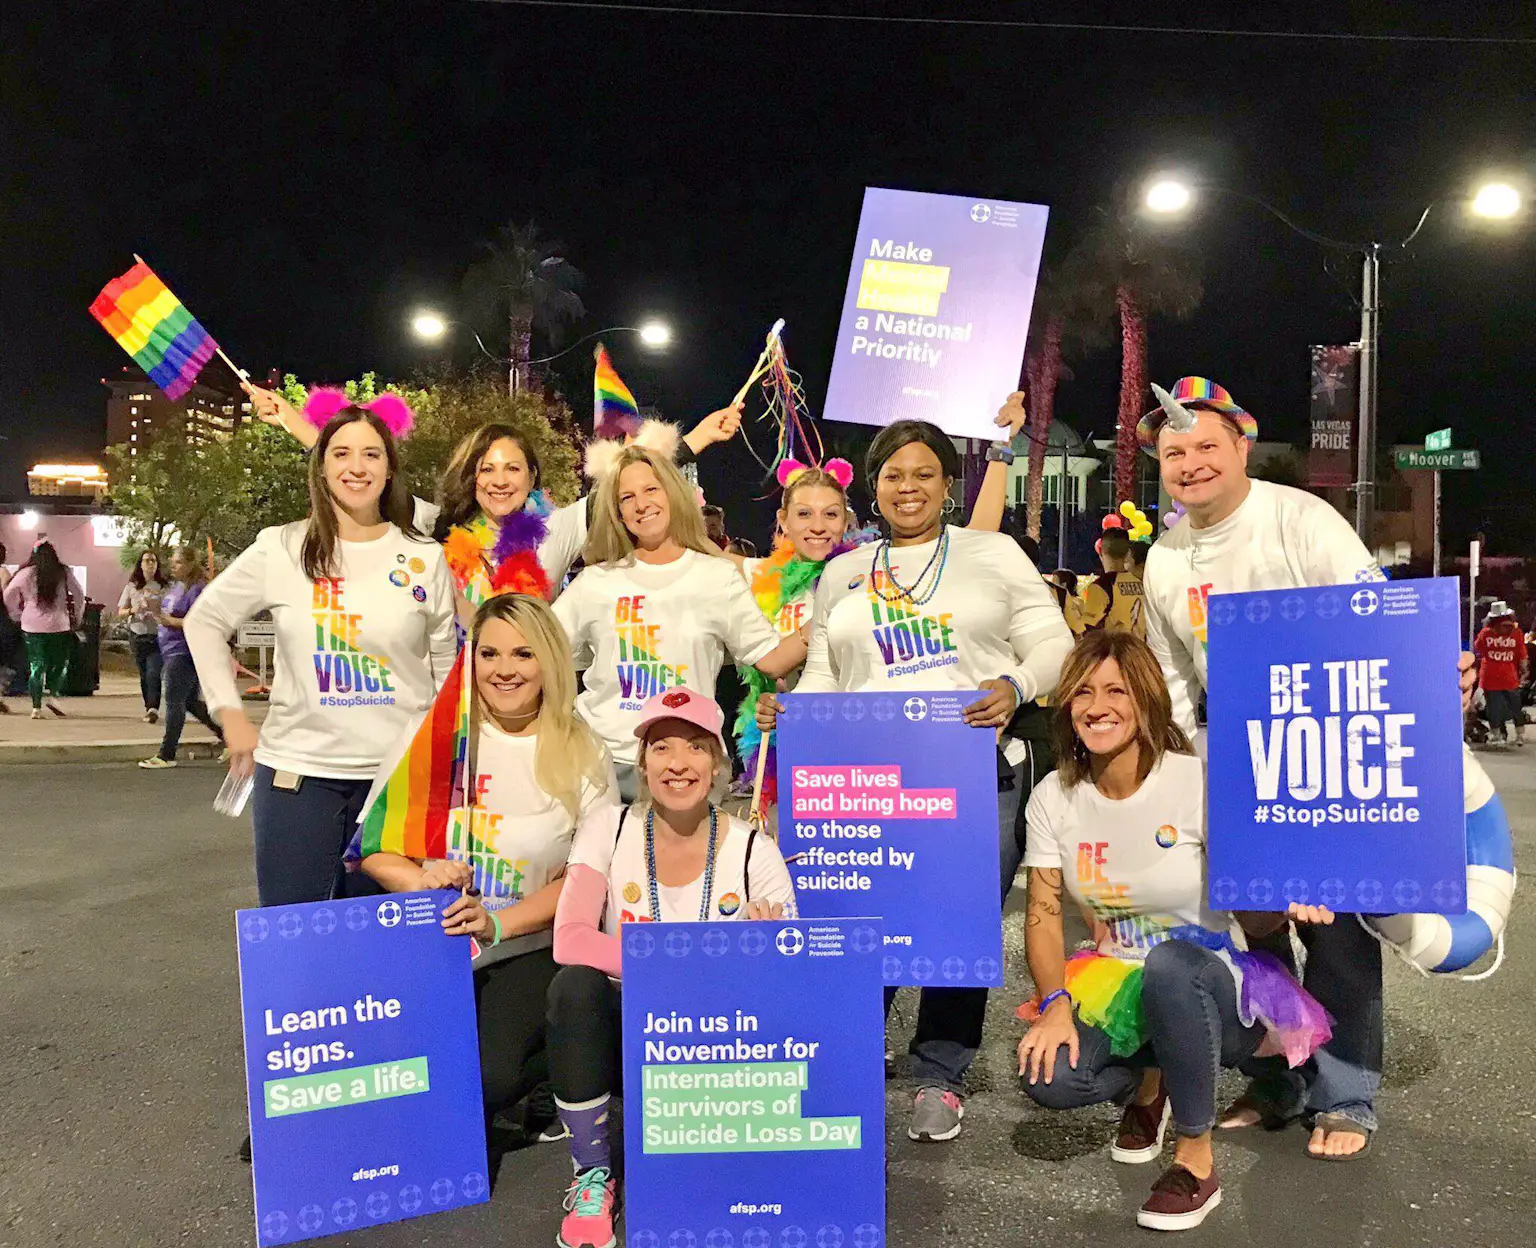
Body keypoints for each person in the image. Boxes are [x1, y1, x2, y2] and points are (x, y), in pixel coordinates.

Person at [1138, 375, 1475, 1159]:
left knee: (1338, 929)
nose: (1191, 463)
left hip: (1323, 746)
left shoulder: (1302, 519)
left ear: (1241, 447)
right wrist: (1192, 778)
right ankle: (1281, 1079)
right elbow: (1176, 683)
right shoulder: (1164, 558)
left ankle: (1347, 1093)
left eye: (1206, 447)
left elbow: (1375, 619)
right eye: (1174, 451)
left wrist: (1433, 676)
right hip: (1236, 760)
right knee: (1260, 936)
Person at [756, 418, 1075, 1142]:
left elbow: (1056, 644)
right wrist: (791, 711)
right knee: (855, 919)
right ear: (873, 487)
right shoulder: (843, 570)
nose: (908, 487)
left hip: (970, 773)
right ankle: (848, 1050)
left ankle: (940, 1071)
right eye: (894, 474)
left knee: (953, 925)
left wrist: (1015, 682)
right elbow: (824, 675)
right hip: (863, 780)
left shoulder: (992, 554)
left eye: (923, 472)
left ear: (947, 483)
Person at [1017, 630, 1332, 1231]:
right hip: (1115, 978)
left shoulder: (1197, 782)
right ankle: (1151, 1082)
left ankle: (1195, 1159)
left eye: (1116, 689)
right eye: (1082, 692)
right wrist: (1055, 1003)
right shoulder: (1053, 797)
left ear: (1147, 701)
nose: (1096, 705)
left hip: (1212, 982)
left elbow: (1257, 920)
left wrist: (1285, 901)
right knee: (1050, 1078)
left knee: (1170, 967)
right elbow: (1043, 914)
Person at [357, 593, 617, 1135]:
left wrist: (498, 923)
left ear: (549, 661)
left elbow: (585, 880)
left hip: (525, 945)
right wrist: (421, 881)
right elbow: (374, 849)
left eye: (523, 654)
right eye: (489, 653)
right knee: (382, 1067)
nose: (503, 670)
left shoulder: (582, 748)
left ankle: (553, 1065)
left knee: (484, 1081)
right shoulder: (429, 736)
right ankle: (311, 1129)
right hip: (435, 941)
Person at [546, 687, 796, 1248]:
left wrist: (765, 944)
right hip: (630, 1025)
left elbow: (790, 973)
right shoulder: (608, 827)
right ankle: (592, 1173)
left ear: (717, 764)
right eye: (660, 748)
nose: (677, 763)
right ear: (642, 764)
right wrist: (668, 969)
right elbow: (570, 938)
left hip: (717, 1038)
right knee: (573, 988)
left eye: (695, 748)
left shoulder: (756, 848)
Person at [185, 396, 457, 906]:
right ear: (322, 466)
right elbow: (205, 620)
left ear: (390, 468)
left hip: (397, 783)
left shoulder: (423, 557)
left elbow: (445, 674)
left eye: (372, 454)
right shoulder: (281, 547)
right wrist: (231, 715)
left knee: (389, 950)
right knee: (298, 945)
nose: (357, 467)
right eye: (342, 454)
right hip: (298, 777)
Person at [244, 382, 743, 620]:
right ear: (472, 476)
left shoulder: (560, 528)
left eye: (512, 468)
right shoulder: (437, 525)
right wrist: (294, 422)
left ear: (531, 478)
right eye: (487, 468)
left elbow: (628, 481)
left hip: (531, 688)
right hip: (447, 687)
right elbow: (367, 479)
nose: (499, 481)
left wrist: (698, 436)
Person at [554, 446, 809, 803]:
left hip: (687, 768)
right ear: (618, 512)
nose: (641, 504)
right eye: (627, 497)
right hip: (602, 767)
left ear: (673, 492)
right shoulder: (595, 582)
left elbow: (771, 659)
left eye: (651, 489)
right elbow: (540, 649)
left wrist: (824, 619)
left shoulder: (717, 577)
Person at [139, 546, 225, 769]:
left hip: (184, 651)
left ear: (188, 564)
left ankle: (166, 754)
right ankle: (230, 738)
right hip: (169, 648)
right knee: (190, 702)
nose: (173, 566)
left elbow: (197, 622)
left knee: (173, 701)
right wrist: (156, 612)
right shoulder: (176, 587)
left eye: (177, 562)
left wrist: (169, 621)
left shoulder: (197, 590)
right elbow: (167, 613)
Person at [3, 540, 84, 720]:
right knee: (59, 664)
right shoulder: (63, 572)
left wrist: (16, 613)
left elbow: (8, 594)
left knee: (36, 666)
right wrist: (78, 615)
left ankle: (36, 708)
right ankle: (53, 695)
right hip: (59, 624)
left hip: (32, 625)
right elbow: (78, 594)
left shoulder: (25, 573)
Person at [117, 549, 167, 724]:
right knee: (144, 674)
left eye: (153, 560)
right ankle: (148, 706)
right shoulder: (132, 587)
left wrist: (159, 610)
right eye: (146, 561)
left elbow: (171, 607)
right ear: (141, 564)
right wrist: (133, 610)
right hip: (138, 635)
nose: (150, 564)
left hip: (157, 635)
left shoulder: (163, 587)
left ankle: (153, 708)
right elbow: (120, 611)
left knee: (154, 672)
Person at [1474, 601, 1527, 746]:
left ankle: (1497, 736)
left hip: (1490, 676)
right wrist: (1524, 671)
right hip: (1510, 676)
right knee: (1516, 706)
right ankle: (1520, 735)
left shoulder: (1486, 633)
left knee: (1493, 707)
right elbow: (1522, 655)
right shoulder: (1516, 632)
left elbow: (1478, 648)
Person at [1079, 528, 1146, 638]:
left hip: (1116, 650)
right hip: (1141, 649)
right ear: (1128, 553)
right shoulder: (1142, 582)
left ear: (1101, 552)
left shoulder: (1101, 586)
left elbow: (1089, 629)